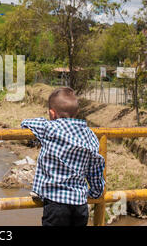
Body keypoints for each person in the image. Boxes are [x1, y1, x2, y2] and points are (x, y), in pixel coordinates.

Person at [20, 87, 105, 226]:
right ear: (77, 112)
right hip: (80, 204)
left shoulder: (48, 128)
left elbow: (25, 123)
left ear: (52, 113)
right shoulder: (90, 135)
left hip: (55, 204)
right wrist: (96, 192)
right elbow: (96, 167)